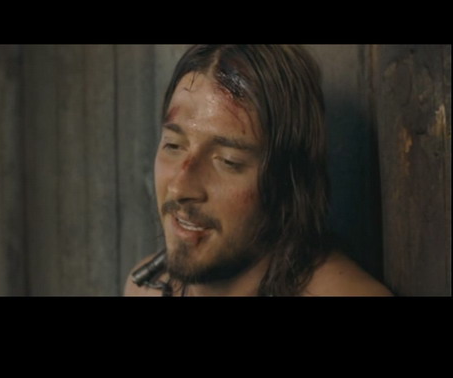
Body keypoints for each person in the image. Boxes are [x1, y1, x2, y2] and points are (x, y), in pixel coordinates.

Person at [124, 45, 393, 297]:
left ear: (287, 180)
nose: (180, 187)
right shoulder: (145, 288)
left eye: (228, 161)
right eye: (173, 145)